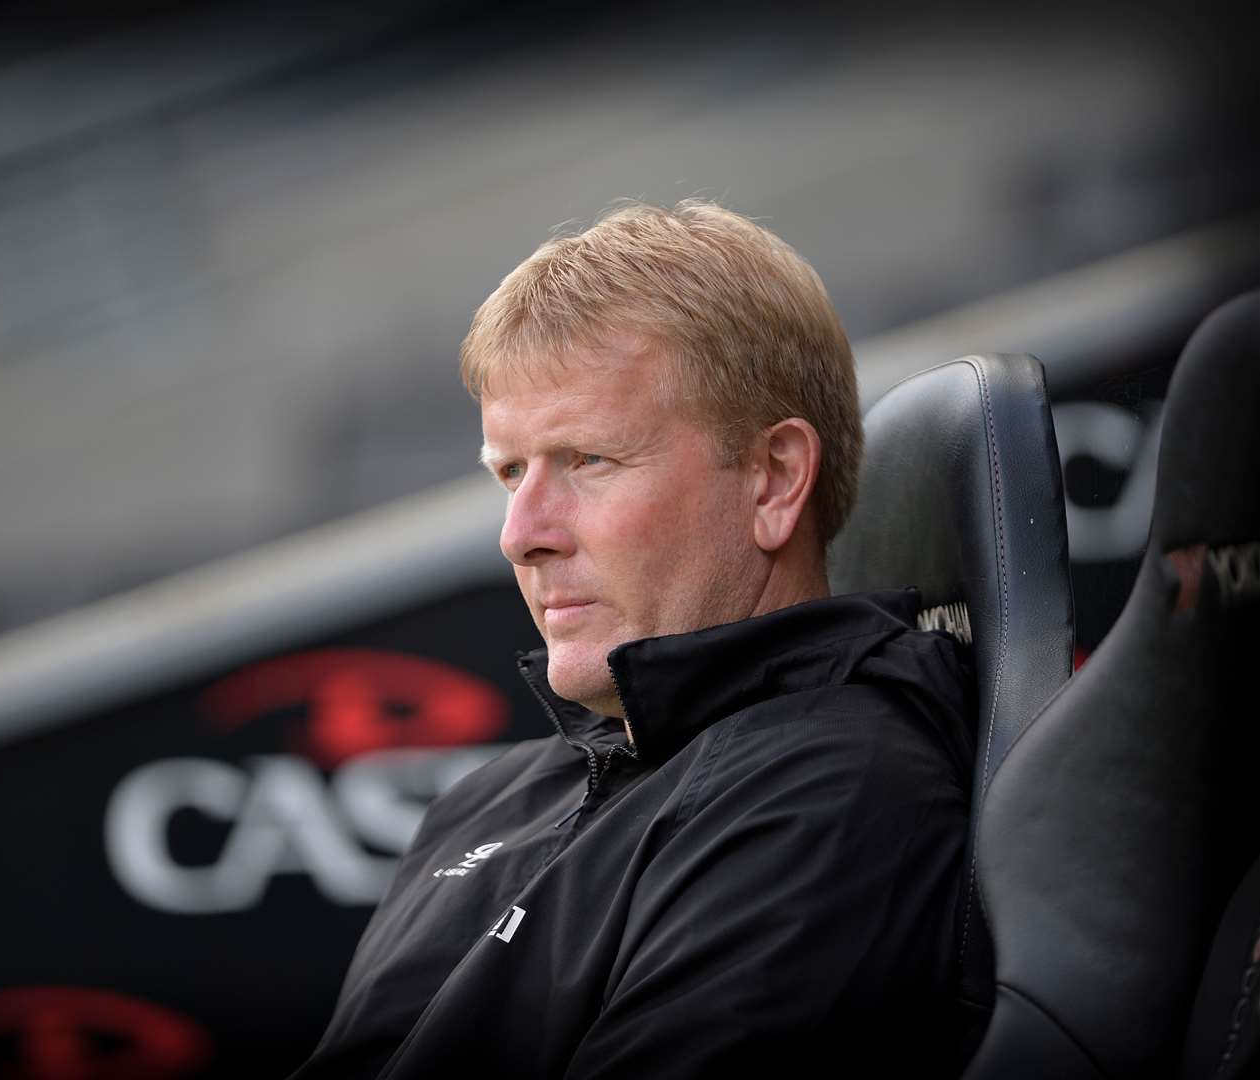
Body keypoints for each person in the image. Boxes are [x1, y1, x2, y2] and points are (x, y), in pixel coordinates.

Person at [293, 200, 973, 1078]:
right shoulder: (490, 798)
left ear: (772, 479)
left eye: (587, 461)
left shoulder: (832, 797)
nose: (519, 532)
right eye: (509, 473)